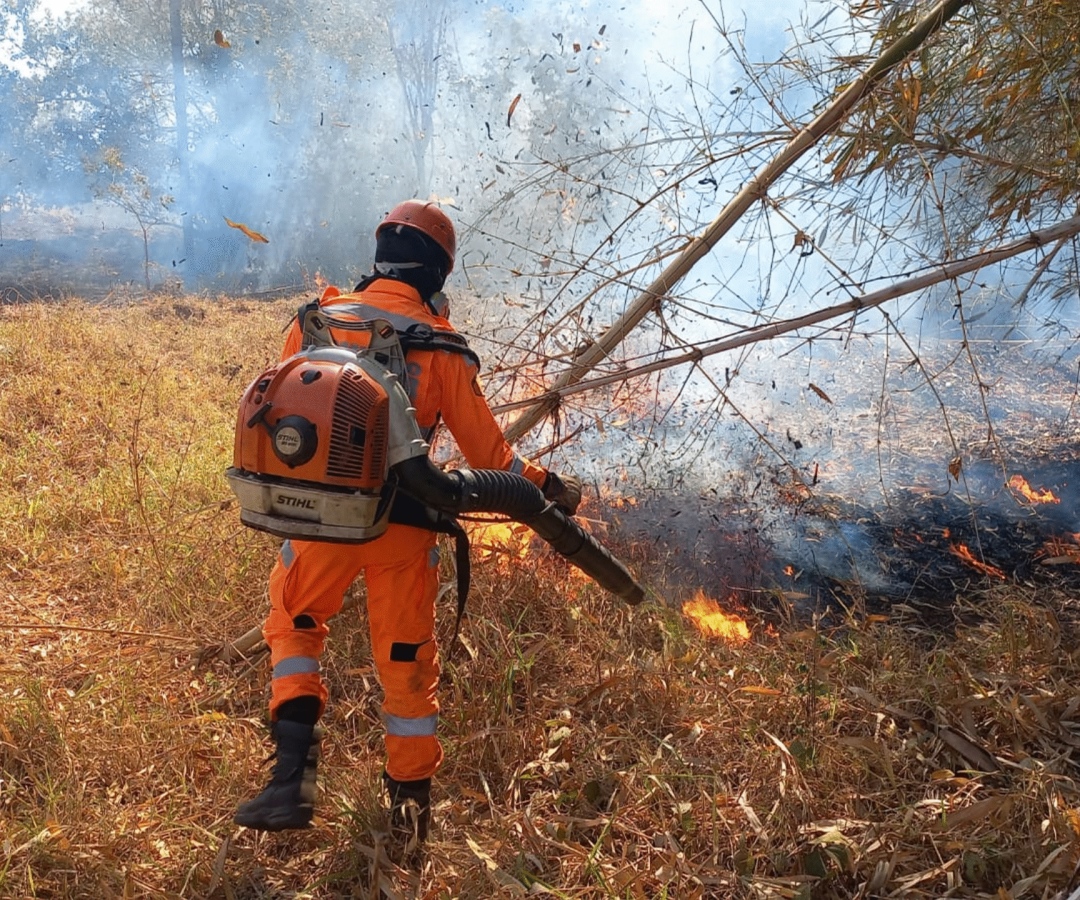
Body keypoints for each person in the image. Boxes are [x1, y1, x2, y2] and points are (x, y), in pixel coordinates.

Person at [234, 200, 582, 846]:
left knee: (295, 624)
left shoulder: (316, 322)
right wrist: (548, 490)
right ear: (438, 274)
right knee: (405, 666)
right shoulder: (443, 347)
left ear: (379, 256)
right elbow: (491, 460)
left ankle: (290, 782)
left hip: (322, 522)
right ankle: (410, 825)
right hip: (405, 528)